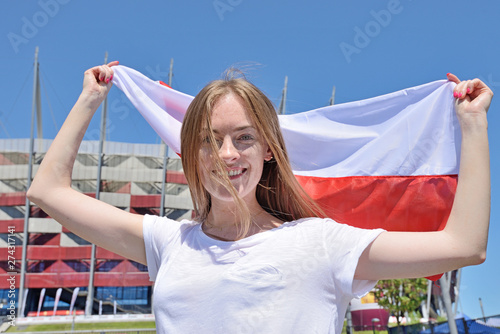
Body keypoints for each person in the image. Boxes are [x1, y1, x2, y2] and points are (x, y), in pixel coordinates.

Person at [27, 62, 493, 334]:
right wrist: (91, 96)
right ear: (191, 151)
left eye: (243, 138)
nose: (226, 154)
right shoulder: (169, 242)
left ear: (269, 149)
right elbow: (47, 191)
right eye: (209, 140)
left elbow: (463, 246)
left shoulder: (322, 242)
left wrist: (472, 125)